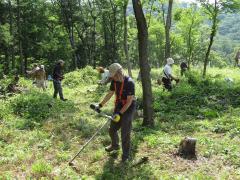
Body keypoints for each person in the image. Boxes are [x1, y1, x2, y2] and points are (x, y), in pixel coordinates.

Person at [95, 63, 136, 163]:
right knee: (112, 129)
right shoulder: (114, 81)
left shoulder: (130, 82)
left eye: (113, 75)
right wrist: (100, 105)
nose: (112, 77)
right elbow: (110, 93)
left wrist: (120, 114)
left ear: (119, 73)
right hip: (119, 105)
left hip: (129, 107)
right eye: (112, 76)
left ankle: (126, 155)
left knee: (125, 132)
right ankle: (115, 145)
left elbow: (129, 101)